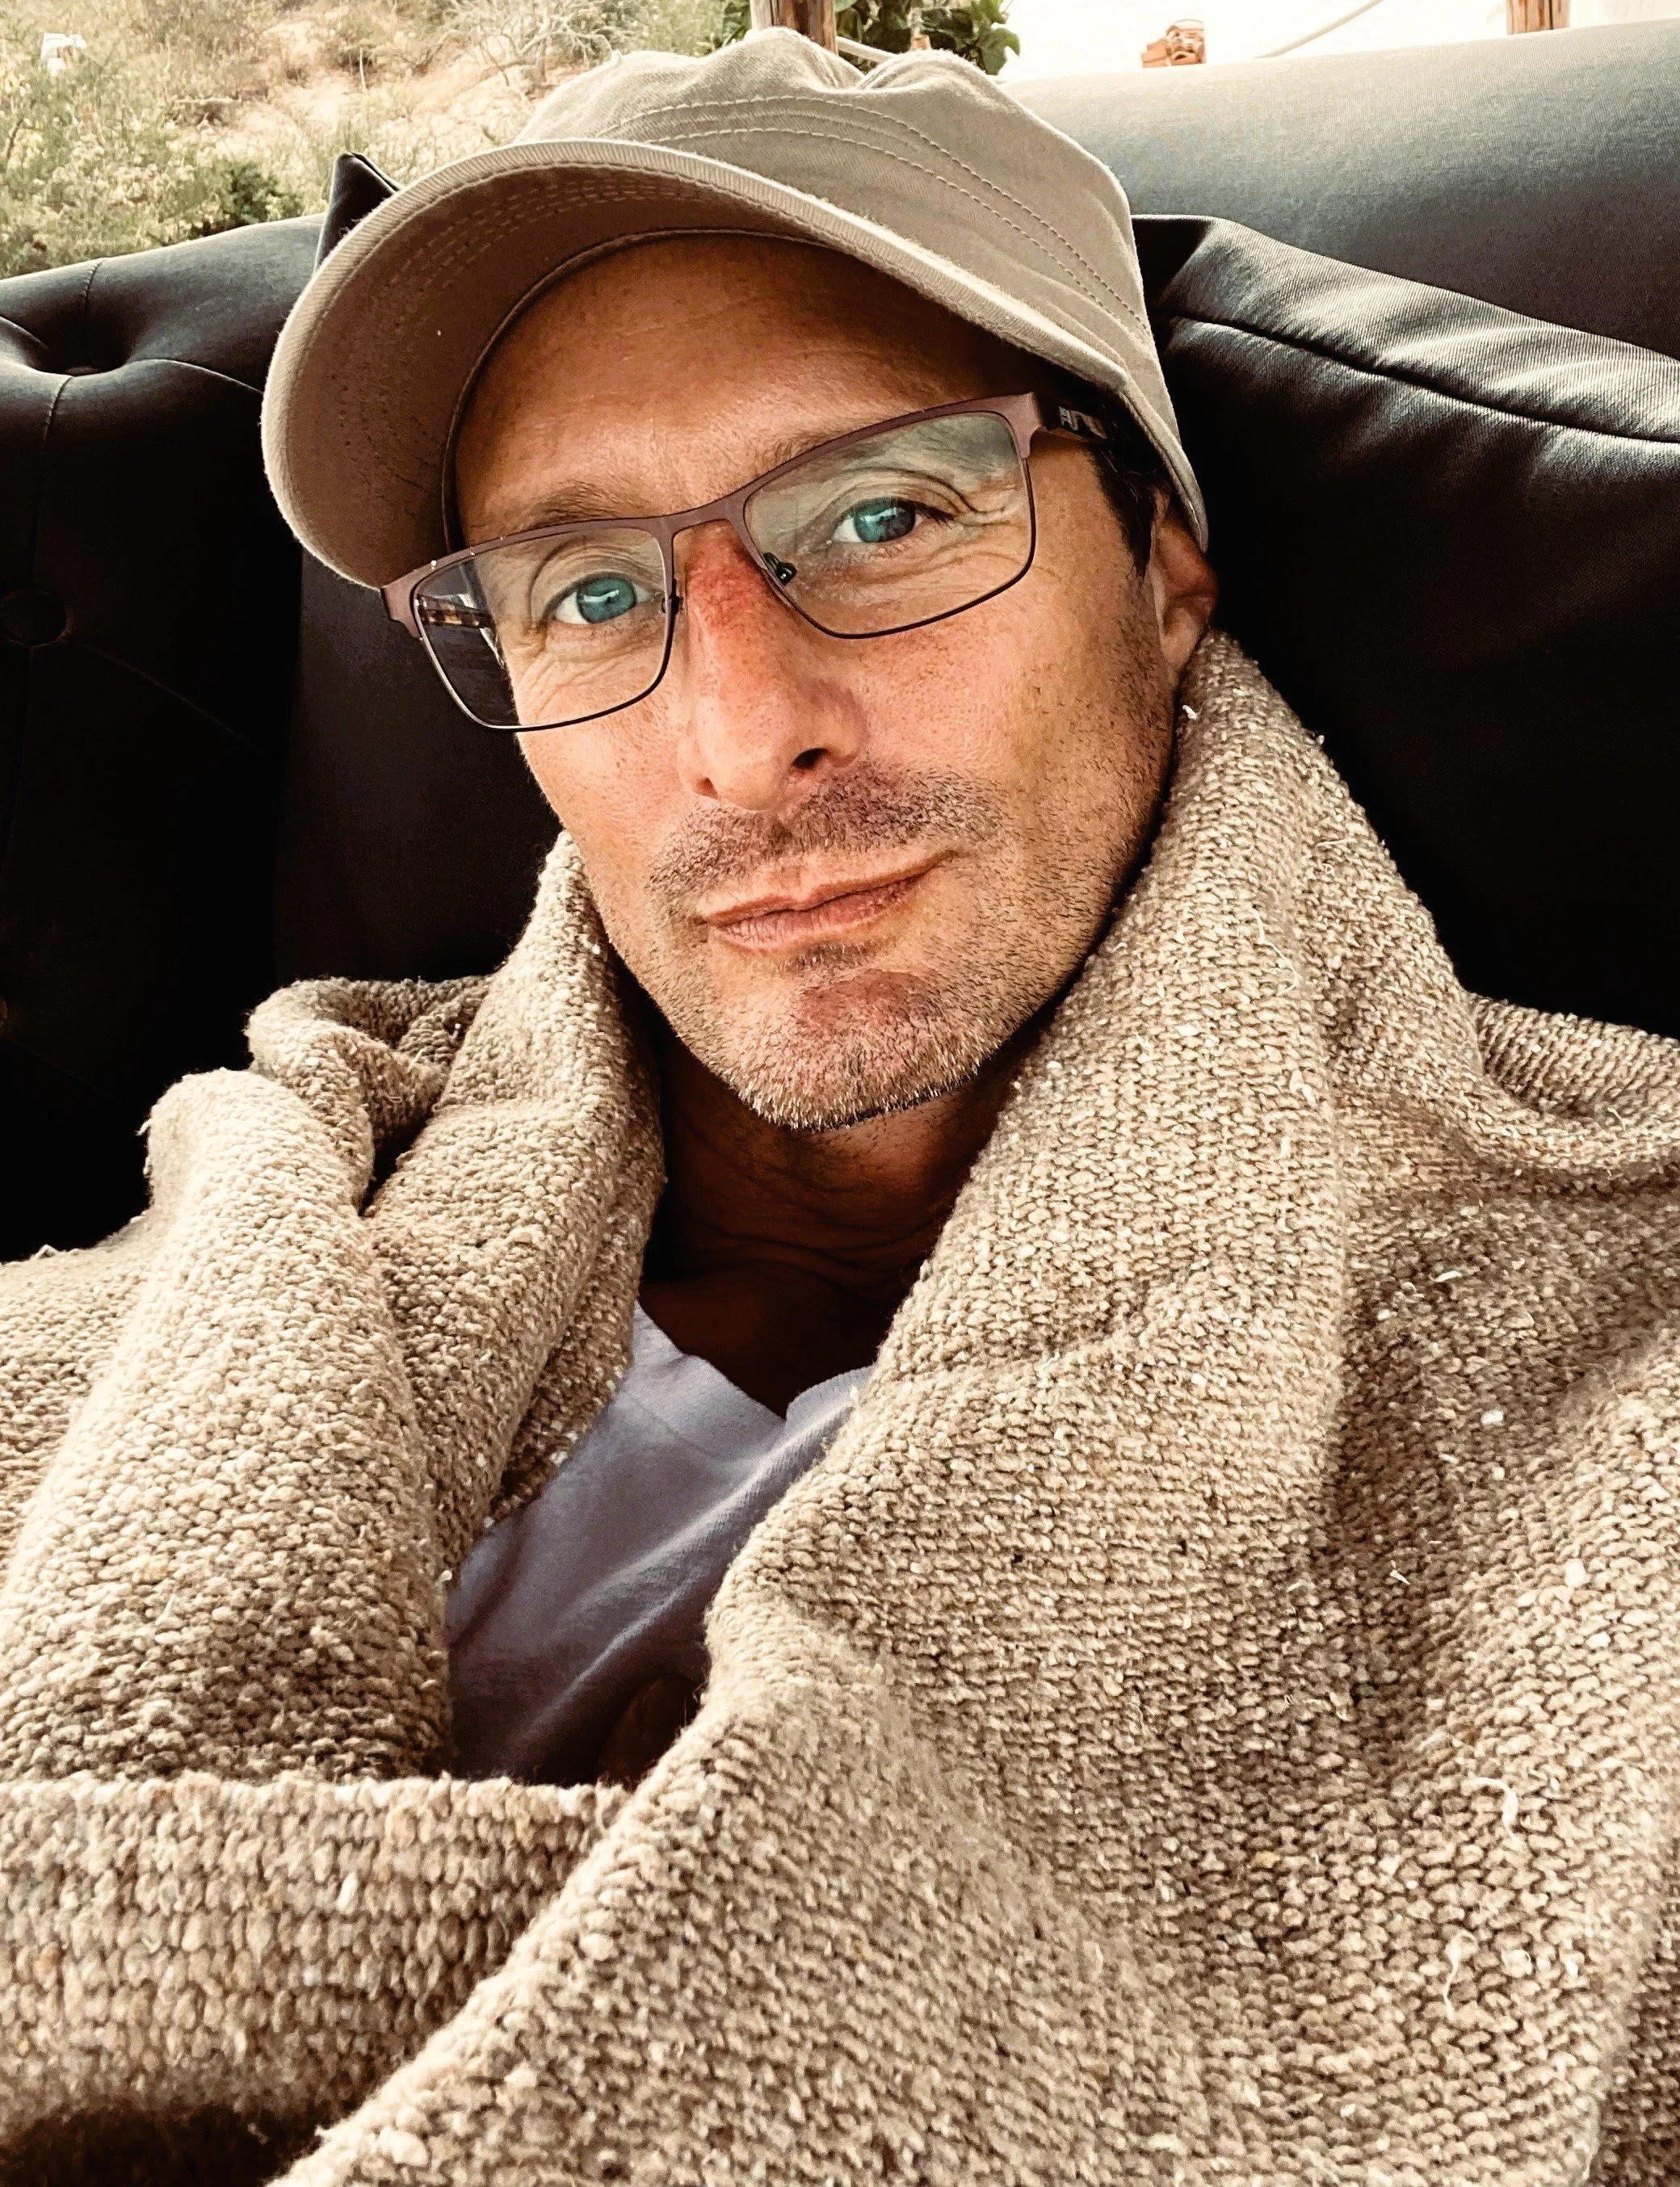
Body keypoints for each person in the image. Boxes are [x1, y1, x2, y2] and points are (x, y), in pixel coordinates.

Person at [1, 31, 1677, 2186]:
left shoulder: (1608, 1343)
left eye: (882, 514)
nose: (741, 733)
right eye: (591, 590)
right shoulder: (275, 1220)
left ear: (1166, 569)